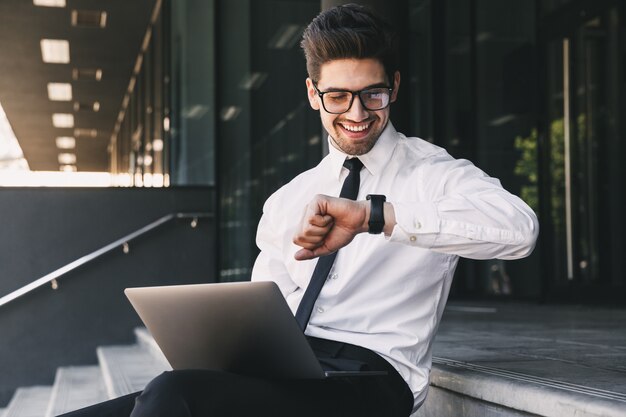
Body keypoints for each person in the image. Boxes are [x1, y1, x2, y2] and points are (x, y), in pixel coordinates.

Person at [60, 3, 538, 417]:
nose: (356, 112)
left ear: (394, 86)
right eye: (337, 96)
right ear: (313, 95)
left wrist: (376, 216)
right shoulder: (290, 196)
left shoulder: (433, 173)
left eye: (372, 93)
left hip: (372, 380)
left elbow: (520, 230)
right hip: (288, 370)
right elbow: (265, 302)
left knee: (175, 396)